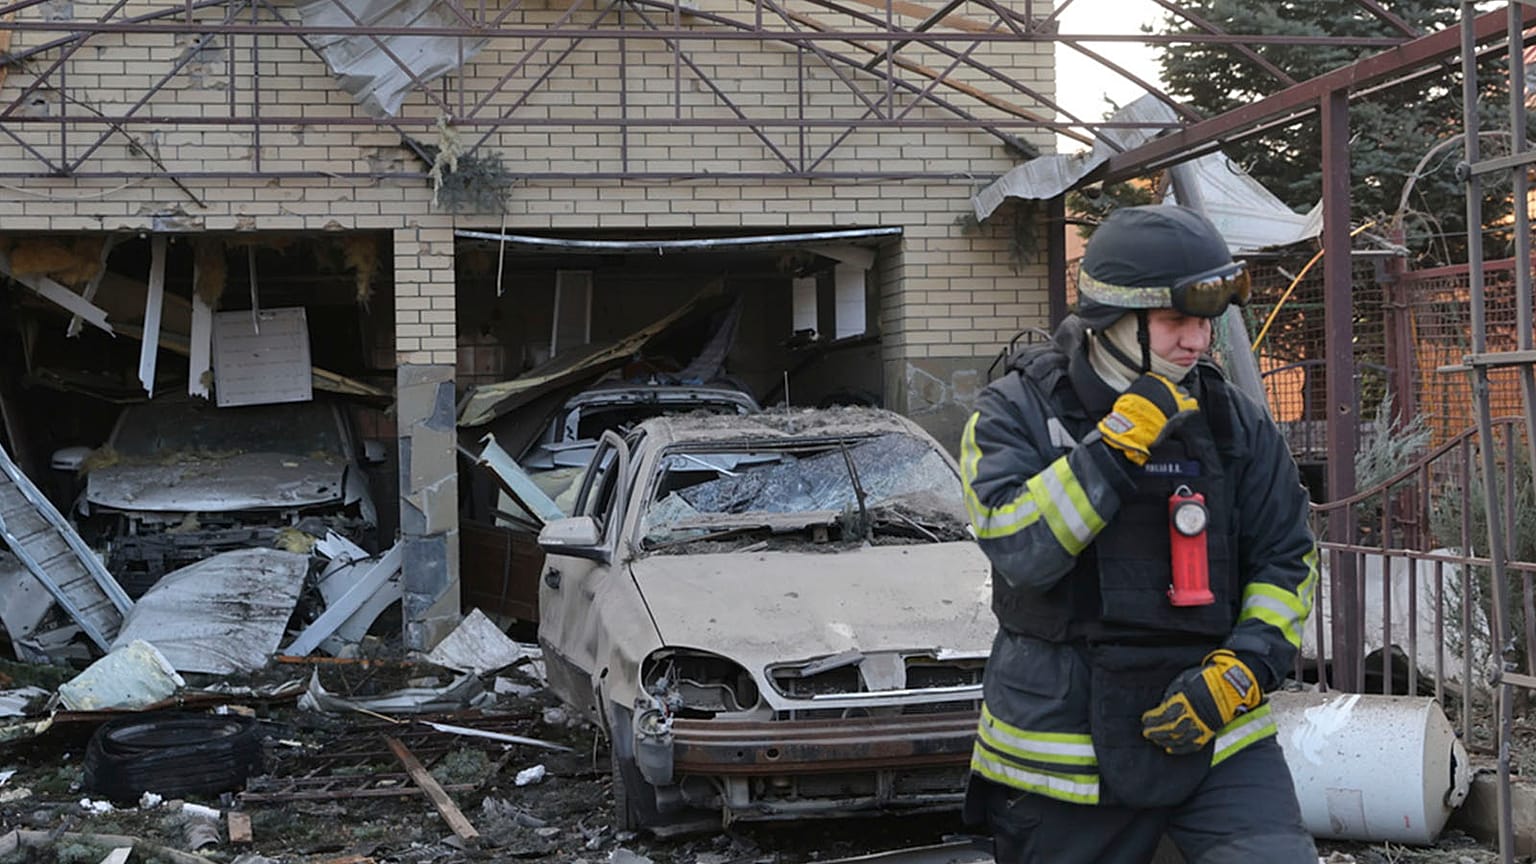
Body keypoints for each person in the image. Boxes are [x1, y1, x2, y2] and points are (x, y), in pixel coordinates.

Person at [959, 205, 1319, 864]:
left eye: (1205, 322)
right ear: (1111, 321)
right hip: (1061, 758)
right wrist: (1113, 449)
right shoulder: (1014, 413)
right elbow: (1019, 551)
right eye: (1176, 321)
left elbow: (1287, 559)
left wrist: (1242, 671)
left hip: (1218, 739)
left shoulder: (1234, 421)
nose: (1197, 343)